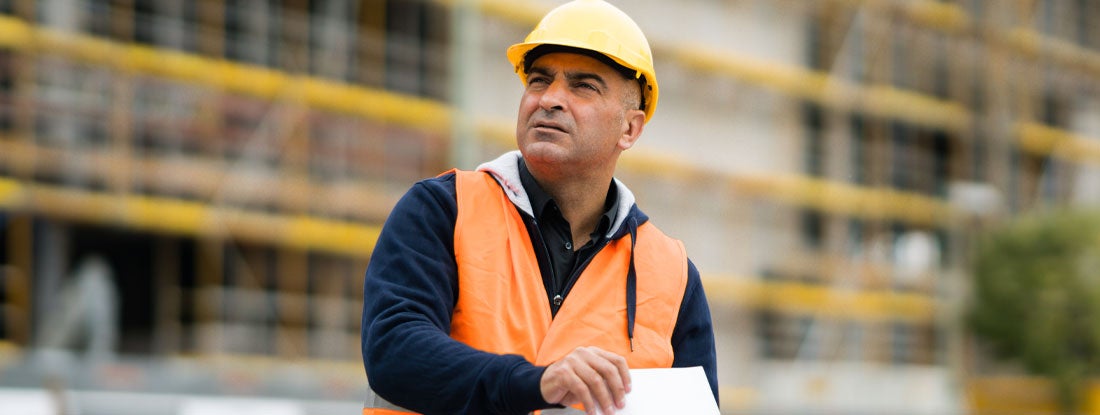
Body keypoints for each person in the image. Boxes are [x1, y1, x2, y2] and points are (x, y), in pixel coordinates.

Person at [360, 1, 717, 414]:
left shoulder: (672, 275)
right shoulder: (444, 209)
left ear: (630, 128)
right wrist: (536, 382)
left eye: (584, 86)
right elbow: (395, 348)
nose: (549, 99)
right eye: (538, 80)